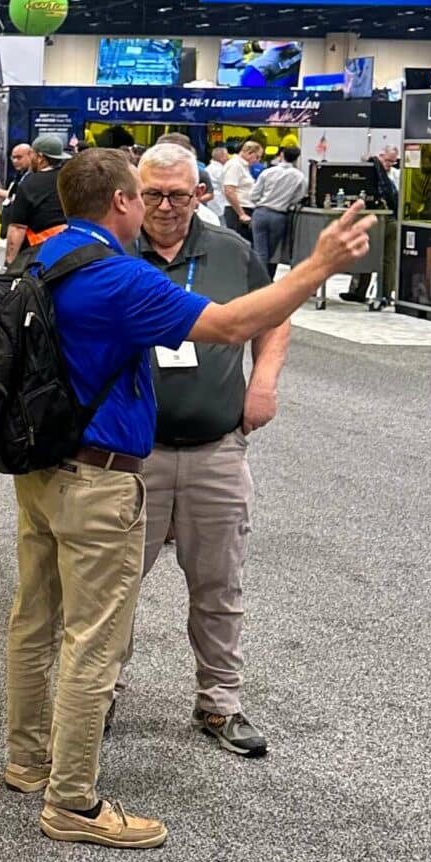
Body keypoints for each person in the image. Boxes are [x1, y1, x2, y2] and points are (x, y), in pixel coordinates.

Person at [2, 149, 369, 849]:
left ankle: (26, 760)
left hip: (43, 471)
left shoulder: (44, 257)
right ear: (121, 200)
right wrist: (318, 266)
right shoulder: (117, 275)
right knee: (94, 640)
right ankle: (72, 801)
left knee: (35, 620)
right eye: (144, 195)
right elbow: (229, 326)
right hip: (100, 479)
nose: (156, 208)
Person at [130, 138, 289, 760]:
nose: (166, 207)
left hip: (216, 449)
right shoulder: (114, 251)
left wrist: (264, 381)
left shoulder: (230, 251)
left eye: (178, 194)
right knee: (112, 588)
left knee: (219, 587)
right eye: (152, 195)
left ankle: (219, 701)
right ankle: (99, 695)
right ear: (133, 194)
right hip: (130, 455)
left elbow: (274, 317)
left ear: (200, 192)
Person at [1, 131, 68, 266]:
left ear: (40, 158)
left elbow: (17, 228)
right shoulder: (69, 179)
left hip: (37, 256)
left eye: (31, 153)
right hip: (68, 252)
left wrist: (10, 263)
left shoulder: (29, 184)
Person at [247, 139, 307, 274]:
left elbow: (254, 195)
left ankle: (260, 280)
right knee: (272, 252)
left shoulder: (268, 172)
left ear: (282, 155)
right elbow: (300, 196)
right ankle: (266, 278)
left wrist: (260, 201)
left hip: (261, 212)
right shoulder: (299, 176)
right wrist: (288, 202)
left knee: (260, 250)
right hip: (279, 216)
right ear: (296, 159)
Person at [216, 138, 262, 239]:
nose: (258, 161)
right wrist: (241, 214)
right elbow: (229, 191)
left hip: (243, 209)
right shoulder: (235, 165)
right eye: (257, 157)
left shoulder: (243, 166)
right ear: (249, 153)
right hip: (237, 211)